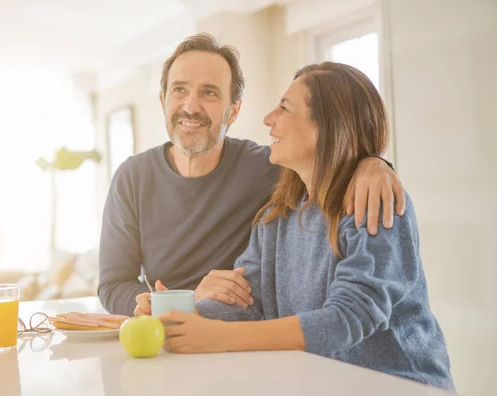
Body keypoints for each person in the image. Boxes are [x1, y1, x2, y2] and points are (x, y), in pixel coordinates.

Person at [146, 62, 454, 391]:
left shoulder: (373, 202)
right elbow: (246, 304)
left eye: (285, 108)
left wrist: (220, 337)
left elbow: (349, 318)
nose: (268, 119)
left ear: (329, 124)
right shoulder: (275, 220)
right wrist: (176, 316)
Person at [98, 33, 405, 317]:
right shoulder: (132, 177)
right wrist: (180, 302)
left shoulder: (268, 167)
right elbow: (113, 285)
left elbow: (331, 157)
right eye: (179, 90)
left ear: (233, 110)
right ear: (163, 101)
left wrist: (372, 162)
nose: (191, 106)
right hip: (175, 329)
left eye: (209, 93)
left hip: (239, 334)